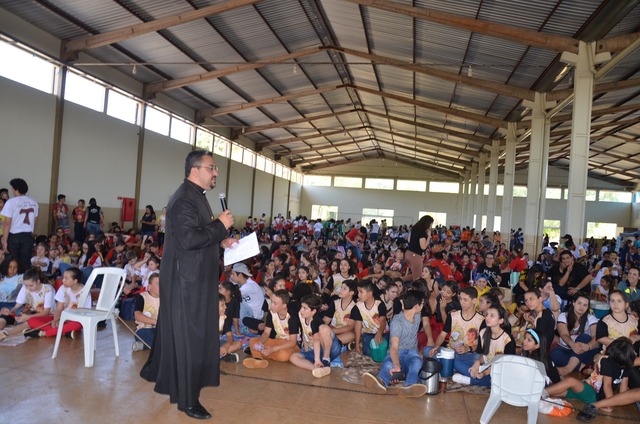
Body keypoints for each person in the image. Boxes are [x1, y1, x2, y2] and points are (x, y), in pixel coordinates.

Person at [140, 150, 236, 420]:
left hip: (195, 277)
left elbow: (197, 233)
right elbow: (190, 240)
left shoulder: (197, 196)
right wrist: (220, 225)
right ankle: (187, 400)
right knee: (189, 339)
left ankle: (161, 373)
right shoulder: (184, 199)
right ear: (195, 170)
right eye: (211, 168)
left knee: (184, 335)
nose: (215, 172)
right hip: (186, 282)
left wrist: (221, 239)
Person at [363, 290, 429, 397]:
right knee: (389, 364)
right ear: (416, 306)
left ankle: (409, 386)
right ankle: (380, 382)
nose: (423, 305)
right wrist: (397, 365)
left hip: (412, 353)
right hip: (398, 352)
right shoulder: (397, 322)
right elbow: (394, 348)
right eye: (422, 303)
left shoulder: (417, 316)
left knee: (417, 363)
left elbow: (425, 324)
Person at [24, 267, 89, 338]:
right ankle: (63, 332)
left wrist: (66, 320)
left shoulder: (85, 292)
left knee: (77, 325)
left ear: (75, 281)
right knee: (31, 320)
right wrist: (56, 320)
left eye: (66, 278)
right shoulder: (62, 288)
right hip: (61, 319)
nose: (63, 280)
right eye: (63, 277)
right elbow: (58, 309)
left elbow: (84, 314)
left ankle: (44, 333)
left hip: (75, 320)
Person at [289, 294, 341, 378]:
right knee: (293, 357)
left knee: (323, 328)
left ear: (313, 312)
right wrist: (306, 351)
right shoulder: (301, 315)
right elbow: (304, 334)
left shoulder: (316, 320)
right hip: (316, 350)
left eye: (305, 308)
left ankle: (326, 360)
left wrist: (317, 359)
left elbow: (316, 340)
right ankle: (318, 369)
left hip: (331, 349)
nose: (301, 310)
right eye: (301, 307)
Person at [1, 178, 39, 272]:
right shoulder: (34, 202)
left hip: (14, 236)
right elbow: (35, 220)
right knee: (25, 262)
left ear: (16, 189)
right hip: (27, 236)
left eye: (12, 188)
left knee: (11, 261)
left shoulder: (11, 202)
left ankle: (11, 282)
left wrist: (4, 241)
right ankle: (23, 283)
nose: (12, 191)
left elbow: (7, 223)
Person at [132, 273, 160, 352]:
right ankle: (160, 345)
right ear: (150, 286)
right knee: (147, 334)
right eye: (158, 284)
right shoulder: (142, 297)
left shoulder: (165, 298)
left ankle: (144, 346)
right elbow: (137, 315)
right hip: (144, 329)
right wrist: (156, 322)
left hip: (160, 330)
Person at [406, 215, 433, 281]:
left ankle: (401, 279)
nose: (431, 226)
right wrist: (429, 236)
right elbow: (423, 247)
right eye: (430, 224)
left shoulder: (414, 228)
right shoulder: (421, 232)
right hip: (415, 255)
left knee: (416, 274)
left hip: (408, 253)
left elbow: (409, 240)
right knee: (417, 278)